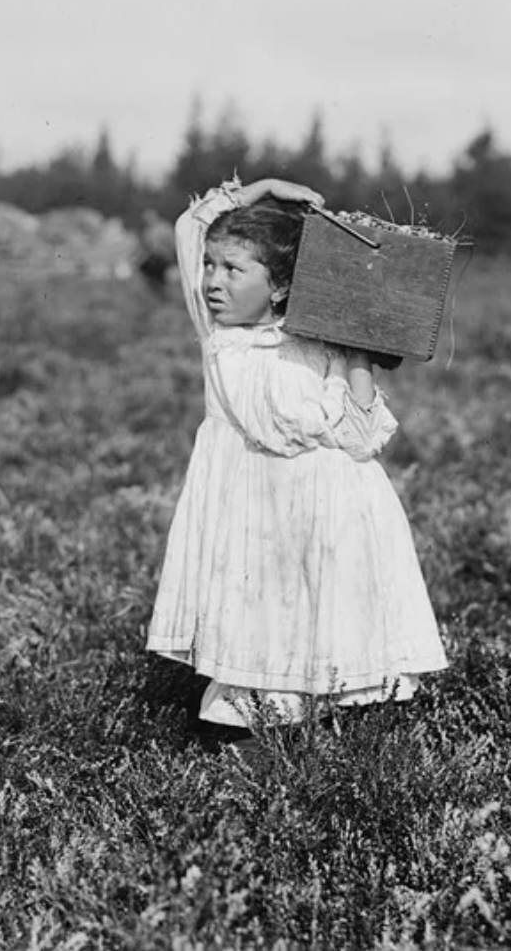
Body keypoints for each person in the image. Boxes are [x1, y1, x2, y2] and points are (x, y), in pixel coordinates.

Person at [146, 176, 447, 745]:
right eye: (211, 266)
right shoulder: (219, 335)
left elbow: (362, 438)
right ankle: (246, 741)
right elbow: (191, 228)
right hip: (253, 512)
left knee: (327, 623)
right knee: (257, 621)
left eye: (234, 270)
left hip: (330, 513)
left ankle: (335, 738)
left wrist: (357, 348)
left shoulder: (319, 344)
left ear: (280, 286)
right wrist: (258, 190)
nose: (213, 280)